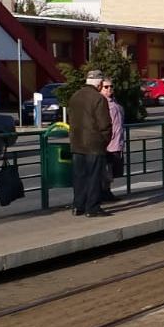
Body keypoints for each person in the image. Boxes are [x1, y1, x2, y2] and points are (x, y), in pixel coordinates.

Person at [67, 69, 113, 217]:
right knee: (94, 176)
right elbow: (105, 124)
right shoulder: (98, 99)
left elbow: (70, 119)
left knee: (79, 176)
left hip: (77, 142)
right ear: (99, 84)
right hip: (94, 144)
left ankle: (78, 206)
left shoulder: (75, 96)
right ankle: (92, 208)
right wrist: (104, 140)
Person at [100, 79, 126, 203]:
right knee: (106, 170)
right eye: (106, 87)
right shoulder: (101, 103)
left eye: (111, 86)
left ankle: (107, 191)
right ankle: (103, 193)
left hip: (117, 142)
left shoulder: (114, 102)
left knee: (112, 170)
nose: (109, 88)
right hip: (107, 143)